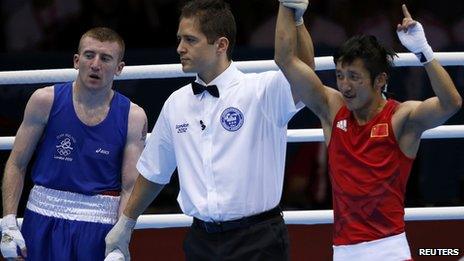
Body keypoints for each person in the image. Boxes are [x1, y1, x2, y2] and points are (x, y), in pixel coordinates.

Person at [104, 0, 313, 260]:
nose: (180, 48)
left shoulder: (262, 90)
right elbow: (154, 172)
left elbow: (305, 73)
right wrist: (126, 223)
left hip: (259, 241)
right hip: (200, 242)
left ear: (221, 45)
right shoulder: (176, 103)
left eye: (191, 40)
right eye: (180, 39)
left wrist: (296, 22)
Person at [275, 3, 461, 260]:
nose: (345, 86)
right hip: (342, 251)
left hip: (390, 249)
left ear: (380, 80)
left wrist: (424, 52)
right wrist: (291, 12)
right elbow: (286, 61)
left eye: (354, 76)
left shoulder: (400, 118)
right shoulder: (332, 109)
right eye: (340, 76)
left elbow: (451, 103)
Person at [1, 27, 147, 260]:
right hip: (41, 219)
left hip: (98, 227)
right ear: (77, 61)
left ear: (119, 68)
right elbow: (16, 163)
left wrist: (120, 238)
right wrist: (8, 224)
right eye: (89, 55)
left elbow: (130, 186)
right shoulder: (44, 100)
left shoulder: (133, 116)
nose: (96, 64)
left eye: (106, 58)